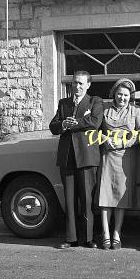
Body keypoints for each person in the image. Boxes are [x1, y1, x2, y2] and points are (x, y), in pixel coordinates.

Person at [49, 70, 103, 249]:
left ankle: (88, 238)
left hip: (87, 156)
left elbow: (95, 122)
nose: (77, 87)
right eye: (74, 83)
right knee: (70, 200)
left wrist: (76, 123)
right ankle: (70, 238)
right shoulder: (63, 103)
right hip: (67, 157)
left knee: (87, 199)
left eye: (81, 83)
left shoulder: (95, 101)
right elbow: (53, 125)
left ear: (88, 85)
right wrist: (63, 124)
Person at [98, 78, 140, 250]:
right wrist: (103, 139)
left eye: (125, 95)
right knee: (105, 195)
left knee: (120, 196)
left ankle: (116, 234)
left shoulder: (137, 112)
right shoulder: (104, 110)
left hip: (126, 156)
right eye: (119, 94)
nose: (122, 98)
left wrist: (125, 143)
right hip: (107, 156)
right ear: (114, 94)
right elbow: (94, 130)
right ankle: (104, 233)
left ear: (130, 96)